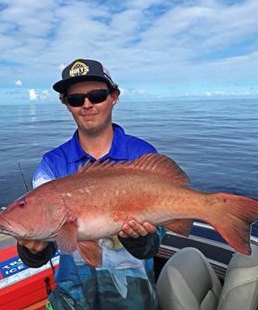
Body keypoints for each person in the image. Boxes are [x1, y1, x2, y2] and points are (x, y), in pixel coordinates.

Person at [17, 58, 165, 310]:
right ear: (67, 105)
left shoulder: (142, 155)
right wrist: (33, 250)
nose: (87, 105)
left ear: (114, 97)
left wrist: (141, 240)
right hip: (72, 299)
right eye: (76, 99)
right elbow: (47, 246)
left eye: (96, 95)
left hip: (134, 299)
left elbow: (155, 240)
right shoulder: (52, 164)